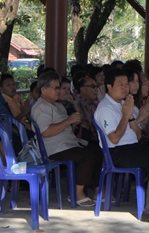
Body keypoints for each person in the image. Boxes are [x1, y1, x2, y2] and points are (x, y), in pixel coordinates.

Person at [94, 68, 149, 223]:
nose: (125, 88)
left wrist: (132, 118)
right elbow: (114, 138)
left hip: (132, 147)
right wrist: (126, 115)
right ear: (109, 87)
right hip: (117, 152)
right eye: (120, 84)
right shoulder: (105, 108)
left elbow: (139, 135)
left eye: (126, 84)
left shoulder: (124, 104)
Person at [32, 72, 102, 207]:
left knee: (98, 151)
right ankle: (77, 193)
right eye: (56, 88)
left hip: (68, 143)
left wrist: (74, 122)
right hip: (53, 148)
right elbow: (45, 132)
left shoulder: (58, 106)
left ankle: (98, 190)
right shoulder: (41, 107)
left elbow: (68, 130)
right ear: (44, 90)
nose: (59, 91)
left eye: (59, 88)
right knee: (87, 157)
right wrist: (69, 120)